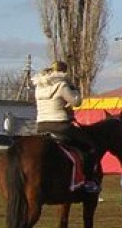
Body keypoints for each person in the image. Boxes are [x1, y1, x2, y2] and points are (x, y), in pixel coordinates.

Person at [33, 60, 99, 192]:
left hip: (41, 125)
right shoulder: (62, 85)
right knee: (90, 147)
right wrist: (74, 88)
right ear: (63, 72)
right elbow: (76, 102)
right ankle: (89, 181)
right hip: (60, 125)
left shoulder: (39, 87)